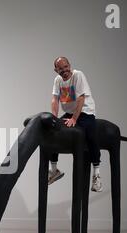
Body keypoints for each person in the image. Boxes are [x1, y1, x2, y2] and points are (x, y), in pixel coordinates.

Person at [48, 57, 102, 192]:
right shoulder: (58, 80)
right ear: (56, 70)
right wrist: (54, 117)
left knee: (90, 137)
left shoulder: (78, 75)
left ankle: (97, 175)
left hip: (85, 111)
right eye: (61, 68)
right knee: (52, 133)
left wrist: (74, 119)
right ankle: (54, 170)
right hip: (69, 112)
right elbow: (55, 99)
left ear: (69, 66)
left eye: (66, 67)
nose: (64, 70)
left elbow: (81, 98)